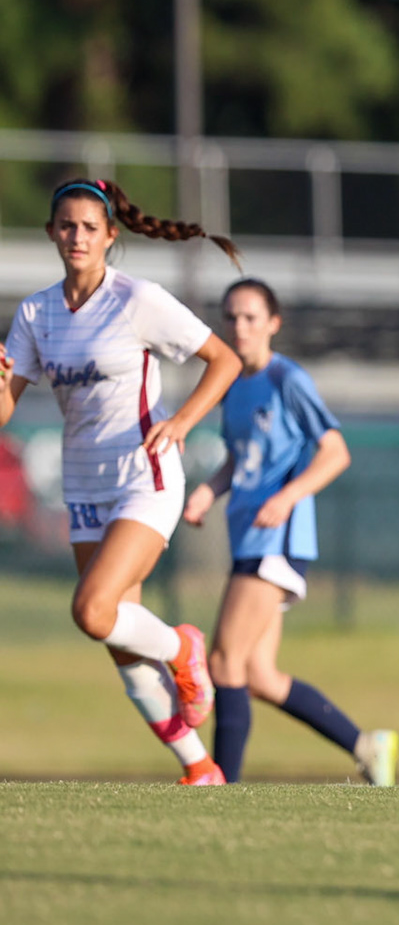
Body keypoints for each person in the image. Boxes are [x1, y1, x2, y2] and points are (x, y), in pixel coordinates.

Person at [0, 178, 243, 784]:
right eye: (66, 225)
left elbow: (226, 360)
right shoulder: (36, 312)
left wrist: (184, 421)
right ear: (52, 232)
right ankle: (201, 769)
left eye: (89, 227)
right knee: (118, 638)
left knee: (92, 610)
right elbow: (5, 405)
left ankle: (184, 649)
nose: (76, 236)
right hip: (84, 487)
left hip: (145, 478)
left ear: (111, 235)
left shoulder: (137, 299)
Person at [184, 278, 396, 786]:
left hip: (276, 540)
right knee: (257, 675)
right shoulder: (233, 385)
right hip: (249, 537)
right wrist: (209, 491)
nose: (240, 327)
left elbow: (335, 451)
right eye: (232, 317)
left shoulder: (288, 379)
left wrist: (287, 497)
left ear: (273, 324)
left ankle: (222, 786)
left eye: (251, 318)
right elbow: (242, 456)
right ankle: (367, 746)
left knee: (222, 660)